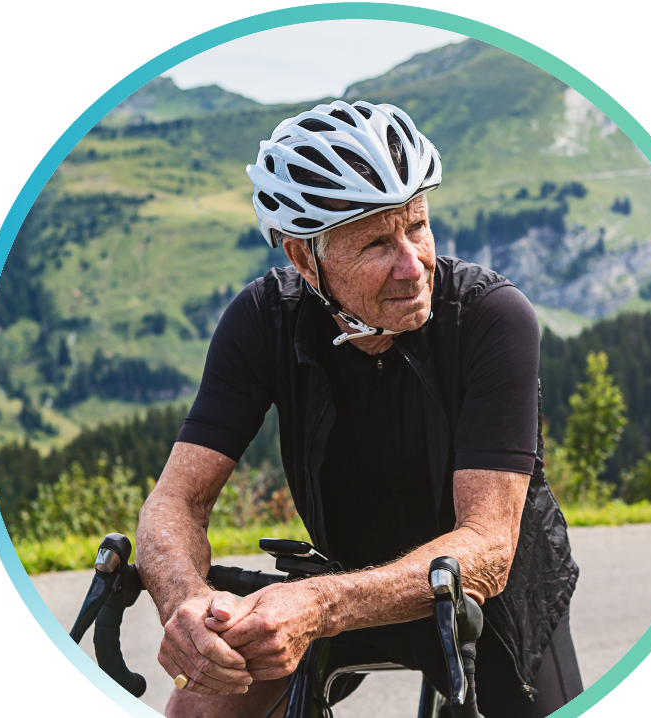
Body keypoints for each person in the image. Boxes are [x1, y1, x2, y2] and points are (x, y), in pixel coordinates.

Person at [136, 100, 582, 718]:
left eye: (418, 226)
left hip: (490, 605)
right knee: (199, 704)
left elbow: (487, 546)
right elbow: (175, 502)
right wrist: (185, 603)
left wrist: (317, 605)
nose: (412, 265)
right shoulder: (263, 319)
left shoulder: (490, 318)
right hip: (340, 581)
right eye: (376, 243)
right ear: (303, 258)